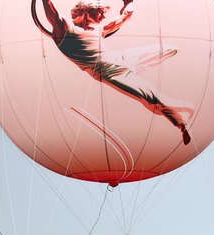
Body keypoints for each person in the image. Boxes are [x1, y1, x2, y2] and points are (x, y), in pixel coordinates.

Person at [34, 0, 193, 145]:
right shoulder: (64, 29)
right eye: (101, 13)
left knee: (169, 48)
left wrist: (128, 3)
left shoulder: (99, 29)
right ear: (86, 11)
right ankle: (181, 125)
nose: (103, 16)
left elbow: (125, 15)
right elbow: (50, 10)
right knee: (151, 98)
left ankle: (180, 119)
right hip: (112, 74)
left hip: (122, 59)